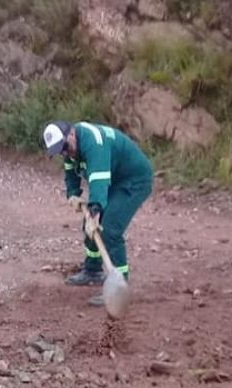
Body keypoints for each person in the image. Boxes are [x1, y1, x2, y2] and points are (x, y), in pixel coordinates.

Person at [42, 120, 153, 306]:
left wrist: (95, 210)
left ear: (71, 134)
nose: (64, 153)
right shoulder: (70, 149)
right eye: (60, 151)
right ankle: (92, 270)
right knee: (89, 226)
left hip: (134, 180)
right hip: (114, 179)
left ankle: (120, 284)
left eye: (65, 148)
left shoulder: (94, 143)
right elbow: (70, 173)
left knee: (109, 229)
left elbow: (99, 181)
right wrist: (73, 194)